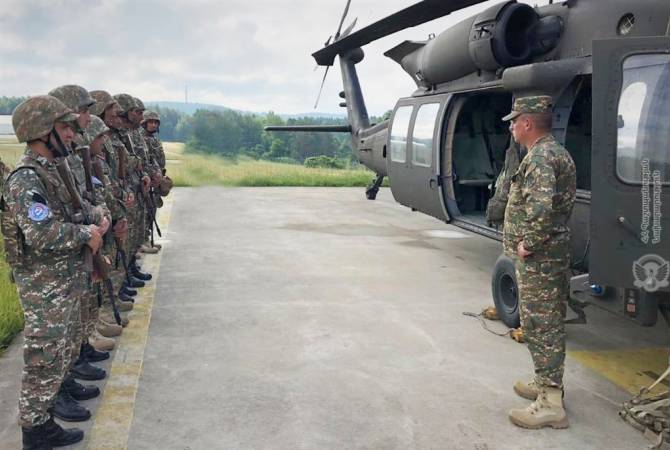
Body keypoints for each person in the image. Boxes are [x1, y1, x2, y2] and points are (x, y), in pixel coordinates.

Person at [3, 95, 107, 448]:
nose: (71, 134)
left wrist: (92, 221)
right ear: (42, 132)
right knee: (43, 359)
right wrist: (85, 234)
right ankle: (35, 431)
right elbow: (41, 231)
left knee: (58, 354)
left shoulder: (51, 171)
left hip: (62, 282)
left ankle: (44, 419)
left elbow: (68, 215)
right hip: (43, 288)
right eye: (64, 128)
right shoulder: (25, 179)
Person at [502, 95, 577, 429]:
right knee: (543, 322)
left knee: (541, 324)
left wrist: (527, 245)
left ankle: (550, 402)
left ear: (528, 123)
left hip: (541, 257)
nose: (511, 127)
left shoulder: (541, 157)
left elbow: (541, 209)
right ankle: (546, 380)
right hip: (549, 253)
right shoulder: (551, 152)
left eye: (514, 121)